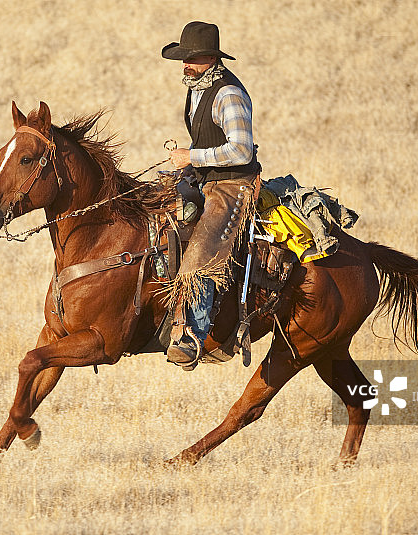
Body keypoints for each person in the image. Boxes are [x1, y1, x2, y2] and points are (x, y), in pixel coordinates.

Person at [162, 21, 260, 369]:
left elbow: (241, 151)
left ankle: (192, 336)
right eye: (182, 59)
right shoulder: (197, 87)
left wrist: (193, 157)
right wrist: (188, 162)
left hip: (234, 185)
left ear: (211, 59)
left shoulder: (228, 94)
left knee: (202, 252)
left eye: (191, 59)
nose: (184, 65)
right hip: (205, 177)